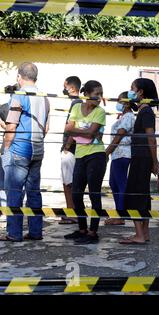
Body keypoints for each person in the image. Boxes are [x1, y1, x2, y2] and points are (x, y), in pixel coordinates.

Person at [0, 62, 50, 242]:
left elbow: (11, 126)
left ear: (19, 77)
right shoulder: (44, 97)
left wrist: (6, 149)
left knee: (14, 192)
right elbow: (46, 128)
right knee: (34, 192)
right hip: (38, 151)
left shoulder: (19, 96)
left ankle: (14, 233)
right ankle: (36, 232)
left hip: (19, 150)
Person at [63, 80, 107, 245]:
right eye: (96, 94)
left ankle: (93, 232)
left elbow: (90, 133)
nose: (99, 97)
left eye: (101, 94)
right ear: (87, 94)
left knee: (94, 193)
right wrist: (83, 132)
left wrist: (78, 131)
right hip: (80, 154)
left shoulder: (100, 112)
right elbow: (68, 129)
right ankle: (82, 229)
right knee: (76, 193)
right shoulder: (76, 107)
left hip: (96, 155)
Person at [119, 78, 159, 244]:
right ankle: (144, 233)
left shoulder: (146, 112)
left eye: (132, 88)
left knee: (135, 195)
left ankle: (140, 235)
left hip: (141, 158)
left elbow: (151, 138)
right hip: (142, 157)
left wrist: (155, 161)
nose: (130, 91)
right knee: (143, 195)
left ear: (141, 92)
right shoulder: (143, 111)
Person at [104, 91, 135, 226]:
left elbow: (119, 136)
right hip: (117, 154)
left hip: (123, 153)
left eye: (120, 101)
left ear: (127, 103)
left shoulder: (128, 117)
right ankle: (119, 213)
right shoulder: (123, 117)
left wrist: (106, 152)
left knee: (121, 184)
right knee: (114, 183)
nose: (118, 103)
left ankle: (121, 215)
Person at [60, 76, 82, 225]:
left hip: (71, 149)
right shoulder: (77, 103)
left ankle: (72, 213)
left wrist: (67, 147)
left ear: (72, 88)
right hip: (73, 149)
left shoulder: (76, 103)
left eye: (65, 86)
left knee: (68, 183)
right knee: (70, 182)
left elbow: (74, 127)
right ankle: (73, 211)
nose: (63, 89)